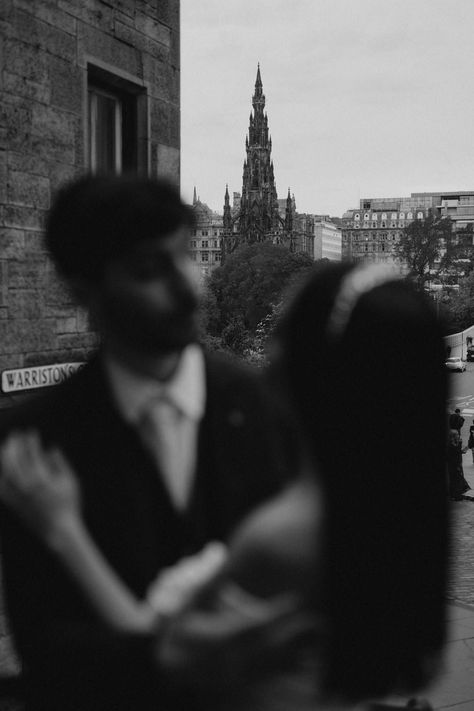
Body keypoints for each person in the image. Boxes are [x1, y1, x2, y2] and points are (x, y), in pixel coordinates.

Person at [0, 262, 449, 710]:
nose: (268, 346)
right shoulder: (389, 509)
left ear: (307, 363)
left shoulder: (281, 539)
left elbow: (158, 644)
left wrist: (64, 530)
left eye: (281, 327)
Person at [0, 174, 296, 711]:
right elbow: (51, 655)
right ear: (80, 288)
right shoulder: (36, 442)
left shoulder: (263, 407)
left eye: (184, 255)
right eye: (148, 268)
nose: (188, 286)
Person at [447, 428, 470, 500]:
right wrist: (460, 444)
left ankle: (456, 494)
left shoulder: (454, 443)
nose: (459, 435)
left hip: (456, 463)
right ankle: (455, 495)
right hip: (453, 465)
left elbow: (457, 452)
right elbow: (454, 453)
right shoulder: (450, 444)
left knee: (458, 479)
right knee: (456, 480)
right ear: (453, 436)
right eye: (457, 434)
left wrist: (463, 450)